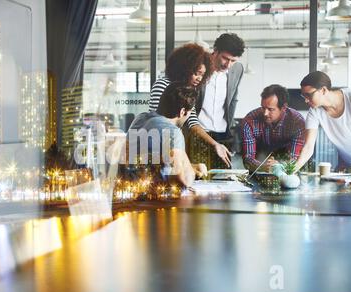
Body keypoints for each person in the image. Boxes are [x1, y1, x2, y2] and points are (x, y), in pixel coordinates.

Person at [149, 34, 245, 168]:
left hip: (182, 139)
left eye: (202, 74)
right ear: (187, 68)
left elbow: (192, 119)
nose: (200, 79)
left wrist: (215, 144)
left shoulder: (189, 89)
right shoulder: (164, 85)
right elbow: (156, 123)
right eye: (197, 73)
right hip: (161, 143)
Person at [130, 82, 207, 187]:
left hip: (130, 192)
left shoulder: (140, 119)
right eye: (190, 113)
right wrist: (193, 172)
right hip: (155, 198)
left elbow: (160, 165)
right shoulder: (172, 132)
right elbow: (182, 181)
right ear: (182, 111)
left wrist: (191, 167)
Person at [240, 84, 306, 172]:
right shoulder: (250, 120)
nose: (265, 113)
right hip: (260, 166)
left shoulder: (297, 121)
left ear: (283, 108)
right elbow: (247, 159)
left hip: (287, 167)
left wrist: (279, 166)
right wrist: (263, 167)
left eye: (270, 109)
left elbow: (294, 158)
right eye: (263, 108)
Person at [295, 71, 351, 172]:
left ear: (323, 90)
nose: (306, 100)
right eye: (304, 96)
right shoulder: (314, 112)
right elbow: (308, 147)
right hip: (347, 165)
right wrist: (290, 171)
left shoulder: (349, 97)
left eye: (309, 95)